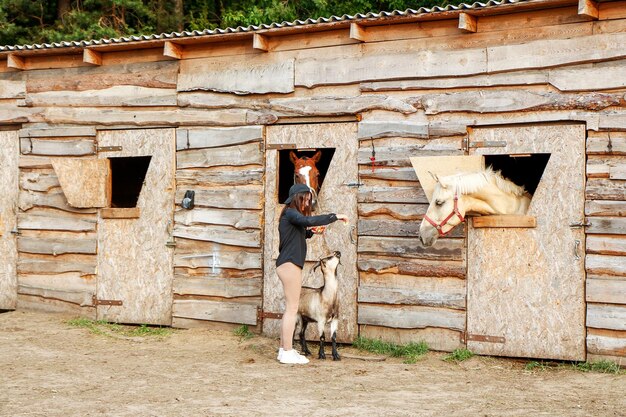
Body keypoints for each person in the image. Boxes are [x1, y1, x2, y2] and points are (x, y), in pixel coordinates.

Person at [275, 183, 348, 364]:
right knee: (292, 309)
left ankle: (284, 350)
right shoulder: (291, 213)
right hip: (290, 265)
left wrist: (311, 232)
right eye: (305, 198)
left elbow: (301, 232)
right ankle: (287, 351)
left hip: (289, 264)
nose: (307, 201)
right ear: (297, 197)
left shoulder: (290, 216)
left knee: (290, 309)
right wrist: (334, 217)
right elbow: (307, 221)